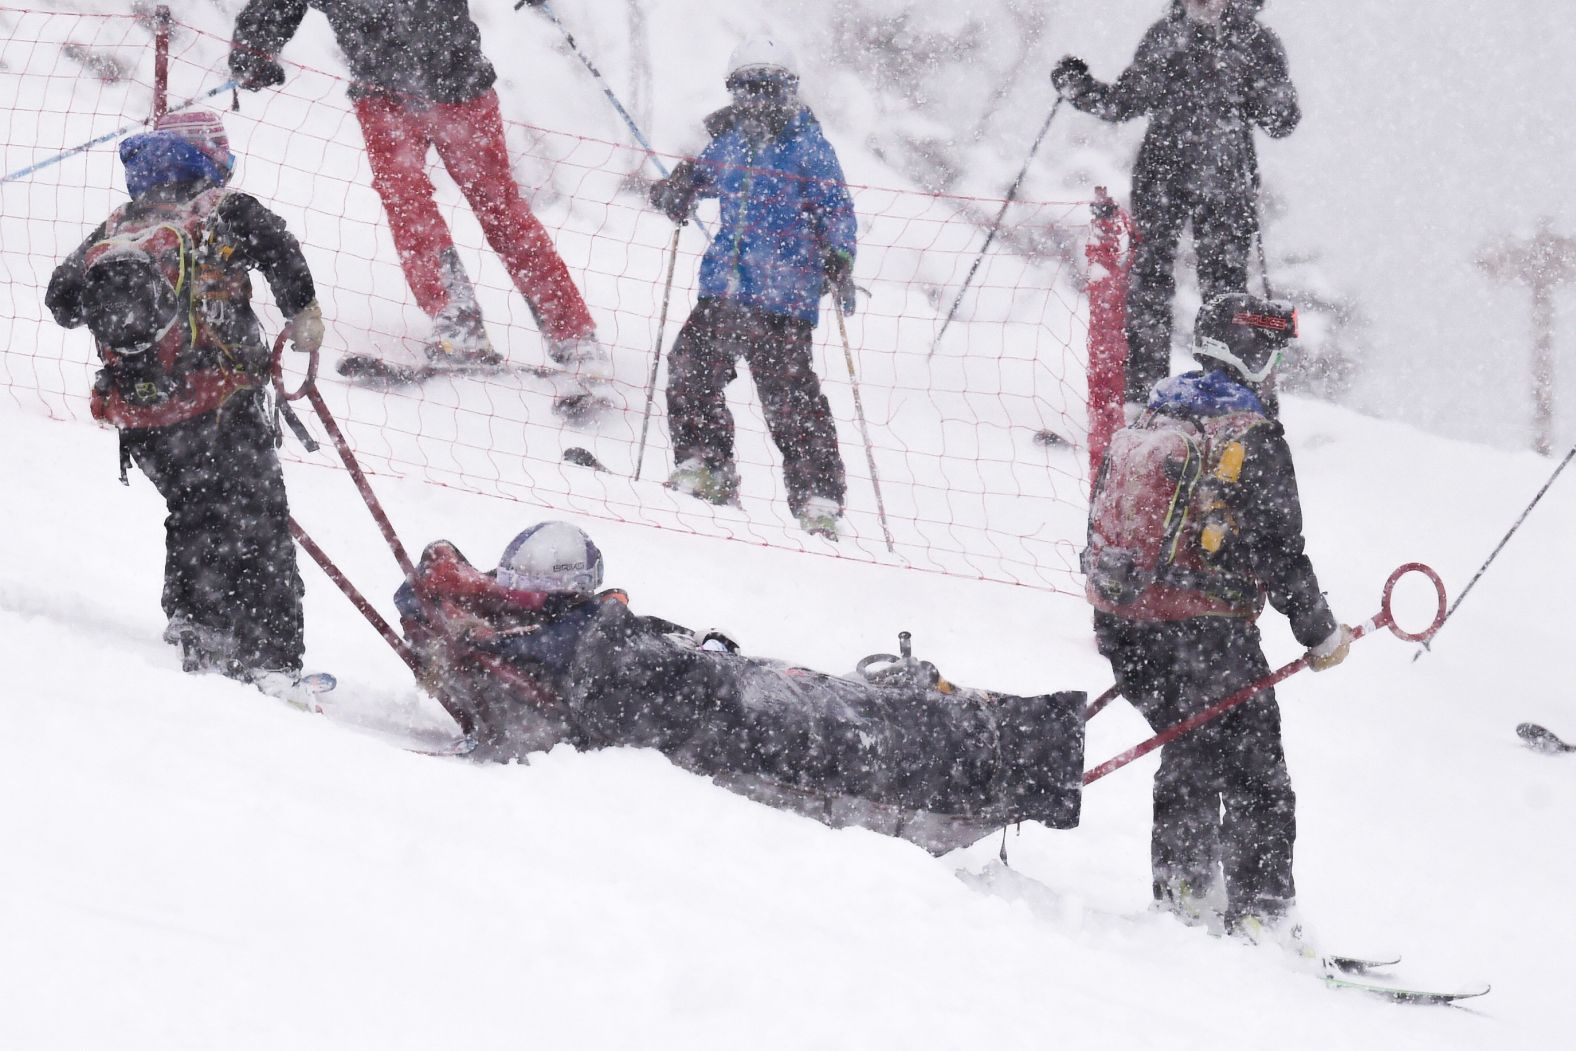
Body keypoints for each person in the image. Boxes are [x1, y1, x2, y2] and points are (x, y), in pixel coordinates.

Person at [393, 521, 1087, 853]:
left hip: (732, 692)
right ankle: (1007, 744)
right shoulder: (583, 648)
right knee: (857, 728)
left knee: (848, 712)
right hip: (743, 711)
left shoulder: (570, 637)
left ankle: (1005, 739)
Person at [1082, 292, 1352, 947]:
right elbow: (1280, 548)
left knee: (1191, 748)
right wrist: (1321, 633)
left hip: (1127, 621)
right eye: (1273, 352)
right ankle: (1262, 910)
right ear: (1251, 349)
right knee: (1259, 770)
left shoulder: (1155, 410)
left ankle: (1185, 890)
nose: (1276, 367)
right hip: (1205, 629)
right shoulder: (1248, 432)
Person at [45, 110, 321, 697]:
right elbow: (282, 251)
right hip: (224, 403)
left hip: (146, 417)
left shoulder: (119, 225)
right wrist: (303, 313)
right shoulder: (228, 212)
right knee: (259, 523)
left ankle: (200, 630)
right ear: (213, 159)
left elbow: (63, 301)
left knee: (193, 514)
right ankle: (272, 661)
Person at [227, 0, 609, 388]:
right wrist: (252, 53)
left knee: (499, 209)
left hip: (457, 85)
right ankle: (456, 320)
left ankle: (575, 336)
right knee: (406, 203)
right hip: (383, 96)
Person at [647, 38, 857, 539]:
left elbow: (837, 209)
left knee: (788, 398)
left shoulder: (808, 146)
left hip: (784, 295)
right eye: (746, 90)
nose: (757, 101)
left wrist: (839, 254)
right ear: (734, 92)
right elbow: (701, 177)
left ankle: (817, 497)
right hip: (726, 288)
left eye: (769, 89)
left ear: (789, 91)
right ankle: (706, 465)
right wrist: (677, 188)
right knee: (691, 369)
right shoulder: (730, 141)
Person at [1052, 0, 1300, 413]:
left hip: (1220, 181)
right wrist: (1079, 88)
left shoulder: (1255, 42)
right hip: (1165, 176)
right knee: (1151, 280)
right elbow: (1123, 102)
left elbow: (1282, 120)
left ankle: (1224, 396)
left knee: (1224, 293)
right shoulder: (1168, 36)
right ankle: (1143, 398)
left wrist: (1262, 86)